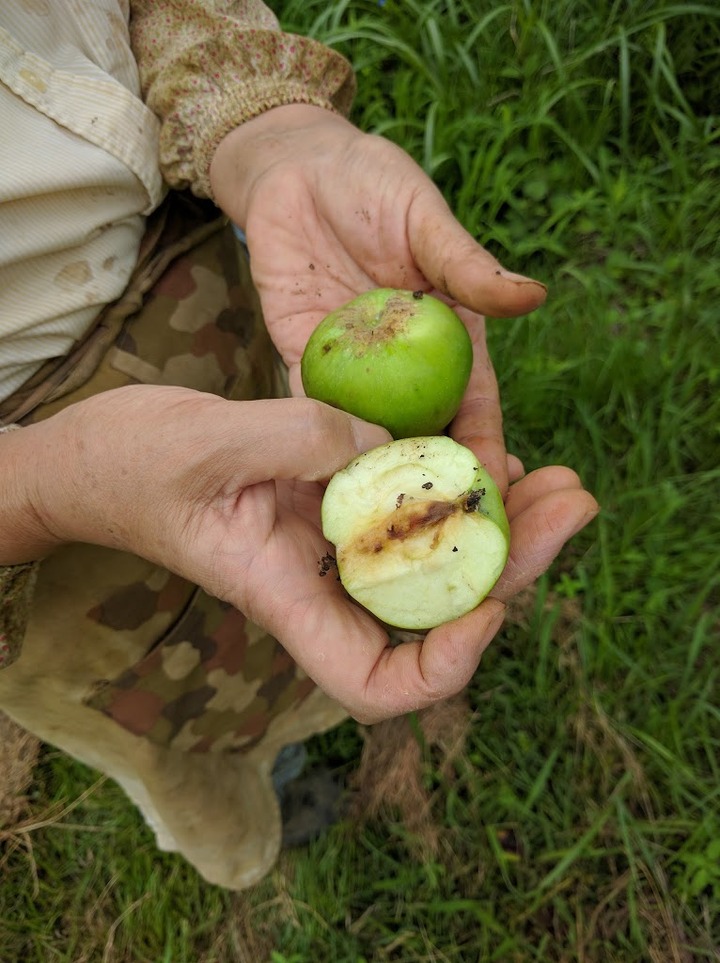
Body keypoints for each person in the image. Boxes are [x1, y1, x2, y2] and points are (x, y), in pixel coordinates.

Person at [0, 1, 598, 889]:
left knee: (301, 588)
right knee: (174, 724)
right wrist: (43, 488)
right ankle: (245, 829)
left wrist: (263, 129)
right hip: (47, 552)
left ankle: (284, 734)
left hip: (230, 301)